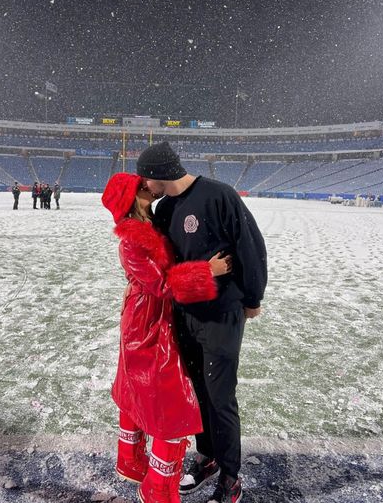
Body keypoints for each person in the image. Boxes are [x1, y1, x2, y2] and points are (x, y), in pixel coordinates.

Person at [137, 142, 268, 503]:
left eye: (147, 177)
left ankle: (231, 476)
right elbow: (163, 267)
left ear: (162, 172)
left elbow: (251, 247)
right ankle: (207, 456)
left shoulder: (218, 195)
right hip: (184, 317)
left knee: (220, 397)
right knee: (196, 394)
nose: (145, 185)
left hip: (220, 316)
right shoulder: (164, 209)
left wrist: (253, 297)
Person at [101, 173, 232, 503]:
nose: (149, 186)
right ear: (134, 198)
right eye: (142, 186)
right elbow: (162, 285)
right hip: (146, 325)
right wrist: (208, 271)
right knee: (170, 404)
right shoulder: (131, 240)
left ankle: (131, 461)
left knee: (142, 390)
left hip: (151, 319)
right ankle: (157, 487)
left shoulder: (149, 226)